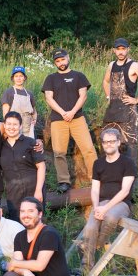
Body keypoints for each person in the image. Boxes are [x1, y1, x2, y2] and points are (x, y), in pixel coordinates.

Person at [42, 48, 98, 193]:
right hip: (58, 120)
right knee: (59, 152)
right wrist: (63, 112)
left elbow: (83, 96)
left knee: (89, 149)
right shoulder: (51, 78)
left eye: (62, 59)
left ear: (68, 58)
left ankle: (95, 178)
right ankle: (64, 182)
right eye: (57, 61)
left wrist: (72, 112)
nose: (60, 62)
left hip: (77, 118)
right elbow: (49, 97)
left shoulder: (78, 76)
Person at [80, 128, 136, 272]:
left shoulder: (127, 163)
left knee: (110, 217)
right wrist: (97, 207)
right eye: (105, 142)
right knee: (90, 228)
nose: (108, 144)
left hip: (121, 204)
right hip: (101, 203)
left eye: (112, 141)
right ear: (103, 144)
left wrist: (104, 209)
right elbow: (94, 189)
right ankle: (86, 268)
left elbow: (125, 191)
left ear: (118, 142)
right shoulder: (98, 163)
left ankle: (95, 245)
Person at [102, 38, 138, 164]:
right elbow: (105, 81)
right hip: (112, 111)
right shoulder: (111, 65)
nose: (121, 52)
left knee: (130, 147)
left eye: (123, 49)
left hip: (128, 112)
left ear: (128, 49)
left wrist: (137, 100)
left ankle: (131, 177)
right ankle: (112, 175)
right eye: (118, 49)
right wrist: (108, 96)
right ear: (114, 50)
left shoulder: (134, 65)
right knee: (109, 143)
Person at [1, 112, 46, 221]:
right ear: (4, 125)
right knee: (17, 226)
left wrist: (38, 190)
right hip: (13, 194)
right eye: (9, 124)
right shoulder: (0, 146)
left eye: (15, 124)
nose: (12, 127)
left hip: (33, 190)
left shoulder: (30, 143)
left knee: (35, 223)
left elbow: (41, 166)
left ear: (20, 126)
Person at [2, 66, 37, 138]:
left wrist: (35, 119)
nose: (18, 78)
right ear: (13, 78)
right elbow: (5, 113)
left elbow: (34, 111)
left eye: (21, 76)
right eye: (16, 76)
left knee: (28, 146)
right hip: (14, 127)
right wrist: (8, 127)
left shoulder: (29, 93)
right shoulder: (8, 92)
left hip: (27, 127)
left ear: (24, 78)